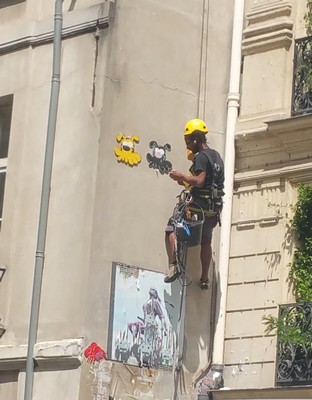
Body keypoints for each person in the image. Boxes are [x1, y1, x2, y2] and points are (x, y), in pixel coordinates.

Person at [164, 118, 224, 290]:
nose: (187, 145)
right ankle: (205, 278)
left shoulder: (201, 157)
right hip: (213, 210)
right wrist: (186, 182)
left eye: (188, 141)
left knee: (171, 227)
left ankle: (174, 265)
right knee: (206, 241)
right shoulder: (216, 157)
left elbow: (199, 180)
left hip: (199, 208)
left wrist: (183, 176)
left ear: (196, 139)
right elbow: (209, 182)